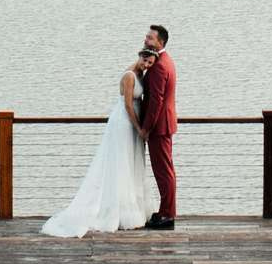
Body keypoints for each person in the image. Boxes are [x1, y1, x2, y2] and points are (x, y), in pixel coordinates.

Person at [39, 49, 154, 237]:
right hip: (125, 122)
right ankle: (116, 211)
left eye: (150, 63)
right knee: (120, 163)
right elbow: (127, 105)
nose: (147, 65)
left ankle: (130, 207)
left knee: (131, 163)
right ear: (139, 56)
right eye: (145, 61)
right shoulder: (129, 75)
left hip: (135, 122)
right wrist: (138, 127)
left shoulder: (142, 75)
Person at [139, 24, 177, 229]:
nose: (146, 40)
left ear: (160, 42)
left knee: (163, 171)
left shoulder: (161, 65)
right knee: (165, 170)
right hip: (164, 124)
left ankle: (167, 215)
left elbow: (156, 101)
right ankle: (166, 211)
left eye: (150, 38)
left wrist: (146, 128)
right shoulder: (164, 60)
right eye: (146, 37)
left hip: (159, 126)